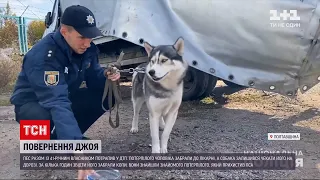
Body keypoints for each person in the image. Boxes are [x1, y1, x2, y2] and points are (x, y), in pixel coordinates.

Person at [10, 5, 120, 179]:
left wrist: (106, 74)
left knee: (107, 96)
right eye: (82, 37)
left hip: (62, 96)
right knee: (41, 114)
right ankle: (43, 144)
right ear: (64, 32)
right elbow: (56, 102)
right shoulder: (44, 57)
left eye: (90, 36)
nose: (87, 42)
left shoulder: (86, 48)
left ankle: (66, 140)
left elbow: (94, 77)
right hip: (32, 105)